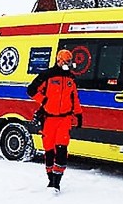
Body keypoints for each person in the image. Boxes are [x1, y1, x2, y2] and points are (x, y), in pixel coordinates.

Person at [26, 49, 83, 192]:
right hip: (49, 119)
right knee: (49, 150)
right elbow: (31, 90)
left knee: (62, 149)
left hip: (64, 119)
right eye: (66, 62)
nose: (68, 65)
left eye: (70, 62)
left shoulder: (71, 78)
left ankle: (57, 182)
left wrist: (78, 114)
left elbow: (74, 98)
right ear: (59, 61)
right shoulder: (47, 75)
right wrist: (44, 100)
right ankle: (50, 178)